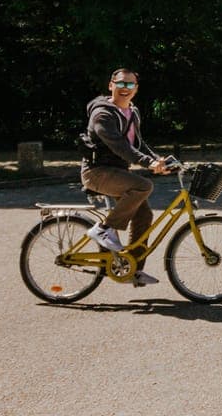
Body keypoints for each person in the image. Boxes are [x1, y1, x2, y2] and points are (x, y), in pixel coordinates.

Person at [80, 68, 170, 287]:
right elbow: (120, 146)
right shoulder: (102, 114)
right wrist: (148, 163)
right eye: (120, 83)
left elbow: (137, 144)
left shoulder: (133, 112)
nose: (125, 88)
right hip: (96, 172)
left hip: (118, 173)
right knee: (143, 186)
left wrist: (158, 159)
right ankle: (103, 229)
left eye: (130, 85)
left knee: (144, 215)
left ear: (136, 89)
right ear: (111, 85)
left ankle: (134, 271)